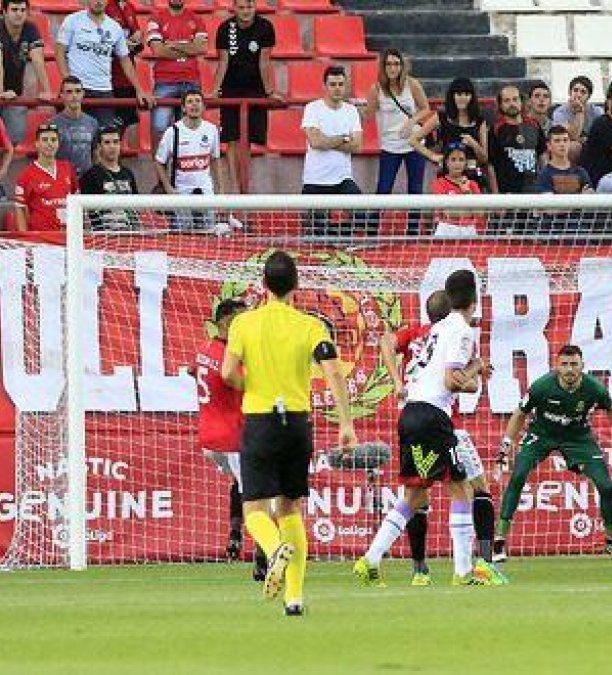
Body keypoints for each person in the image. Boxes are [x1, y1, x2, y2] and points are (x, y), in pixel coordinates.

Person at [220, 251, 357, 615]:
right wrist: (345, 422)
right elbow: (333, 372)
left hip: (261, 419)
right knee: (291, 506)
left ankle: (274, 546)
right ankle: (294, 599)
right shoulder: (310, 326)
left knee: (254, 510)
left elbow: (227, 373)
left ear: (263, 285)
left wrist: (250, 384)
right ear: (295, 286)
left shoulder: (243, 324)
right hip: (297, 423)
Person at [354, 270, 502, 586]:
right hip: (433, 416)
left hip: (410, 414)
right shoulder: (463, 329)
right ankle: (463, 572)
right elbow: (452, 380)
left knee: (416, 495)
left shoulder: (438, 328)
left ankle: (370, 559)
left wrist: (474, 368)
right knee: (461, 488)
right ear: (475, 301)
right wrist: (475, 378)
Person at [494, 344, 612, 563]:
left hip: (578, 438)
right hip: (541, 435)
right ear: (557, 366)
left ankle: (611, 540)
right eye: (564, 364)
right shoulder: (542, 386)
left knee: (607, 486)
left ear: (582, 366)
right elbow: (519, 413)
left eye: (574, 364)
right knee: (517, 477)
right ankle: (499, 540)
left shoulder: (594, 388)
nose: (569, 369)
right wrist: (505, 448)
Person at [192, 299, 270, 580]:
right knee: (259, 496)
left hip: (209, 440)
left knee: (240, 484)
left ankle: (235, 534)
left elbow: (194, 370)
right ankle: (263, 560)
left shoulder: (204, 349)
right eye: (240, 318)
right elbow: (242, 381)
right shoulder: (230, 358)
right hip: (233, 438)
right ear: (225, 321)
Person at [212, 0, 281, 194]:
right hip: (231, 89)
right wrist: (214, 90)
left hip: (255, 90)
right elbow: (223, 62)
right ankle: (235, 186)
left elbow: (264, 62)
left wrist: (269, 91)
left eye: (249, 7)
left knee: (248, 139)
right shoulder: (225, 28)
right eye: (241, 7)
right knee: (231, 138)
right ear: (234, 8)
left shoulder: (265, 27)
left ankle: (244, 185)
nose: (245, 12)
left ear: (255, 7)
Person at [56, 0, 152, 128]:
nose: (98, 2)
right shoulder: (72, 21)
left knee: (104, 137)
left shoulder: (114, 27)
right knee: (73, 137)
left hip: (104, 90)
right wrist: (67, 81)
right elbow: (59, 52)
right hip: (77, 89)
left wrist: (139, 89)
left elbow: (125, 60)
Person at [301, 66, 363, 235]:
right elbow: (315, 141)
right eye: (333, 84)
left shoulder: (351, 111)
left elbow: (357, 145)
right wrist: (343, 138)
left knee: (364, 217)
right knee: (316, 231)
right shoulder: (312, 108)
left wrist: (326, 140)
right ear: (325, 86)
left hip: (343, 179)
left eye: (341, 84)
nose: (337, 88)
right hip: (315, 180)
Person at [153, 89, 224, 230]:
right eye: (190, 102)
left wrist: (220, 191)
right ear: (183, 108)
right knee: (183, 240)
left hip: (206, 194)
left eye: (198, 101)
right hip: (181, 195)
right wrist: (168, 187)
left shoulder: (211, 130)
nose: (194, 105)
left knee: (208, 236)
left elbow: (215, 160)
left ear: (203, 106)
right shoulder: (172, 132)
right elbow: (159, 162)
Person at [365, 48, 428, 197]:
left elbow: (425, 108)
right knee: (384, 188)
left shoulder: (412, 84)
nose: (393, 68)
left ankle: (413, 221)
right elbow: (369, 114)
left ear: (402, 66)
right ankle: (376, 220)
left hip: (414, 142)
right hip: (390, 144)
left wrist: (412, 121)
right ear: (383, 67)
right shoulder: (376, 89)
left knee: (415, 189)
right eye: (388, 64)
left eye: (396, 64)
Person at [410, 76, 488, 191]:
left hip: (472, 177)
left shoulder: (479, 121)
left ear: (472, 97)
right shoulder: (441, 117)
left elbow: (484, 158)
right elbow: (413, 140)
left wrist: (474, 144)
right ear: (453, 96)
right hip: (447, 177)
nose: (463, 98)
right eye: (459, 94)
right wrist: (433, 156)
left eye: (467, 94)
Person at [145, 0, 207, 139]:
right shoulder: (156, 18)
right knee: (159, 128)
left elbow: (201, 48)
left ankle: (185, 161)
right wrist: (189, 48)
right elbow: (159, 51)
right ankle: (158, 161)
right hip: (165, 81)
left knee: (190, 131)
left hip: (191, 81)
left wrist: (173, 45)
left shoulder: (196, 19)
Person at [0, 0, 55, 144]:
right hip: (4, 92)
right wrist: (1, 92)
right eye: (14, 9)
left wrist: (47, 91)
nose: (19, 14)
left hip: (13, 93)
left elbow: (37, 60)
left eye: (23, 10)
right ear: (4, 11)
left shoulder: (30, 28)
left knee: (15, 137)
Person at [13, 124, 77, 232]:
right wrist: (25, 239)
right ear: (37, 144)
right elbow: (20, 209)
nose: (49, 143)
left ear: (58, 143)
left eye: (53, 140)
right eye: (45, 140)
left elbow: (77, 202)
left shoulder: (68, 168)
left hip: (68, 238)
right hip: (42, 241)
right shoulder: (26, 175)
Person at [487, 84, 545, 195]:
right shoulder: (496, 129)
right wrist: (496, 195)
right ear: (501, 105)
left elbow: (543, 157)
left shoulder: (534, 125)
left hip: (533, 191)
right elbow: (491, 166)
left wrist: (543, 188)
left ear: (521, 102)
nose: (512, 104)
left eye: (515, 99)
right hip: (508, 192)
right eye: (507, 101)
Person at [79, 125, 139, 230]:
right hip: (103, 237)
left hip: (129, 235)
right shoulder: (90, 176)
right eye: (107, 142)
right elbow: (85, 213)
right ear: (99, 146)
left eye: (116, 142)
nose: (112, 146)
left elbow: (136, 207)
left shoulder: (128, 173)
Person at [104, 0, 144, 136]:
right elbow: (99, 38)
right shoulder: (105, 6)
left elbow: (137, 43)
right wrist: (122, 43)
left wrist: (136, 39)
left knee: (126, 122)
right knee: (109, 125)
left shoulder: (129, 6)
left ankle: (120, 155)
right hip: (109, 78)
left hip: (127, 78)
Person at [431, 144, 485, 236]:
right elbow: (448, 213)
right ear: (446, 162)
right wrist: (469, 209)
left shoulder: (472, 184)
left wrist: (467, 192)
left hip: (469, 230)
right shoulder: (438, 183)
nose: (457, 163)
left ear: (465, 163)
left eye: (461, 160)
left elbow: (480, 213)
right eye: (453, 159)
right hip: (446, 229)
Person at [49, 77, 99, 175]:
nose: (74, 96)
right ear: (62, 95)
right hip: (62, 179)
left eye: (77, 91)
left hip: (87, 180)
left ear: (83, 94)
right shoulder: (52, 124)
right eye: (69, 92)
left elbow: (96, 153)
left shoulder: (93, 122)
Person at [550, 75, 603, 160]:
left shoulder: (597, 111)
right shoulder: (560, 112)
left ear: (589, 96)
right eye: (575, 90)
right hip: (568, 145)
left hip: (591, 144)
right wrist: (579, 112)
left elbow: (601, 135)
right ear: (569, 92)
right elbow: (572, 136)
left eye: (583, 92)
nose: (578, 95)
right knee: (574, 147)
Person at [537, 125, 591, 195]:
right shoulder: (544, 175)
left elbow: (590, 197)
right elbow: (549, 203)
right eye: (557, 141)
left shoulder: (581, 172)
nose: (562, 144)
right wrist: (579, 197)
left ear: (569, 143)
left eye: (565, 140)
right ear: (549, 146)